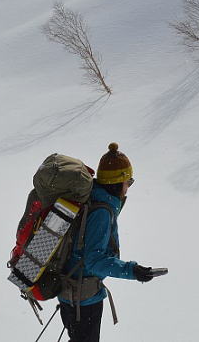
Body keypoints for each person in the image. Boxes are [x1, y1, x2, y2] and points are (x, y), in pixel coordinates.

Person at [58, 143, 158, 342]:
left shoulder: (91, 199)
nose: (128, 186)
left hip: (69, 292)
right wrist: (132, 270)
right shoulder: (102, 211)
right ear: (118, 182)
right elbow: (93, 260)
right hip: (83, 297)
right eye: (128, 181)